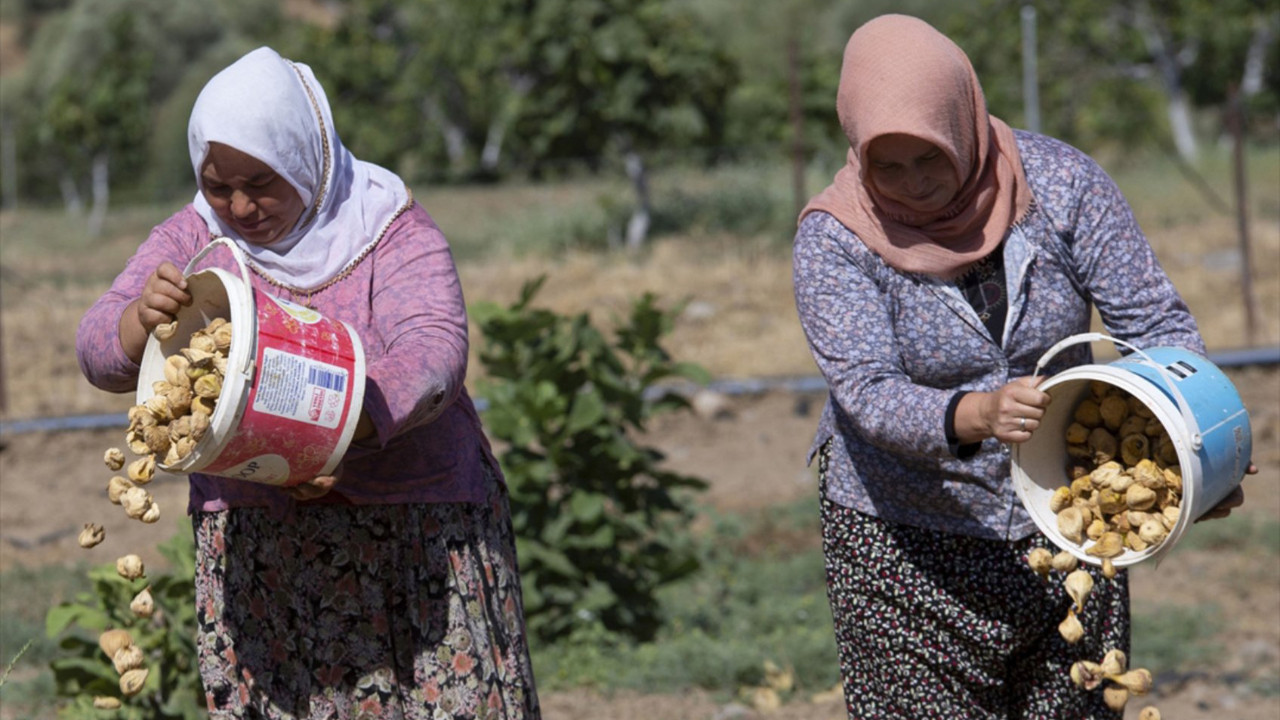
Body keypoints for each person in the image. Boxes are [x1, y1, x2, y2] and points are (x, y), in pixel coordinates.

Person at [791, 14, 1248, 719]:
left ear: (962, 123)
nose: (915, 184)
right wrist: (978, 414)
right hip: (909, 543)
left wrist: (1196, 446)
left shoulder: (1061, 185)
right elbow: (867, 393)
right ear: (857, 149)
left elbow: (1153, 322)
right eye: (890, 164)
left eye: (932, 156)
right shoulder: (837, 238)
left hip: (1066, 517)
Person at [76, 47, 540, 719]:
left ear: (305, 159)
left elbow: (434, 351)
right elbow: (97, 350)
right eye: (217, 183)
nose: (239, 205)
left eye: (262, 182)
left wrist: (336, 435)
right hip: (264, 553)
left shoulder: (385, 226)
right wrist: (135, 323)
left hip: (409, 537)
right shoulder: (193, 238)